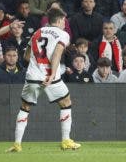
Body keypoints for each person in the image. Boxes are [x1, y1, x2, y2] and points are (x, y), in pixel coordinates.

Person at [6, 8, 80, 152]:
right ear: (58, 21)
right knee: (66, 103)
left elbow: (26, 57)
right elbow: (57, 53)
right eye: (63, 21)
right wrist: (52, 74)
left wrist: (36, 65)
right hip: (50, 77)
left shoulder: (36, 32)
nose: (65, 24)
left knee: (25, 107)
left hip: (33, 76)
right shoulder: (63, 34)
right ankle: (66, 140)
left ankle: (17, 144)